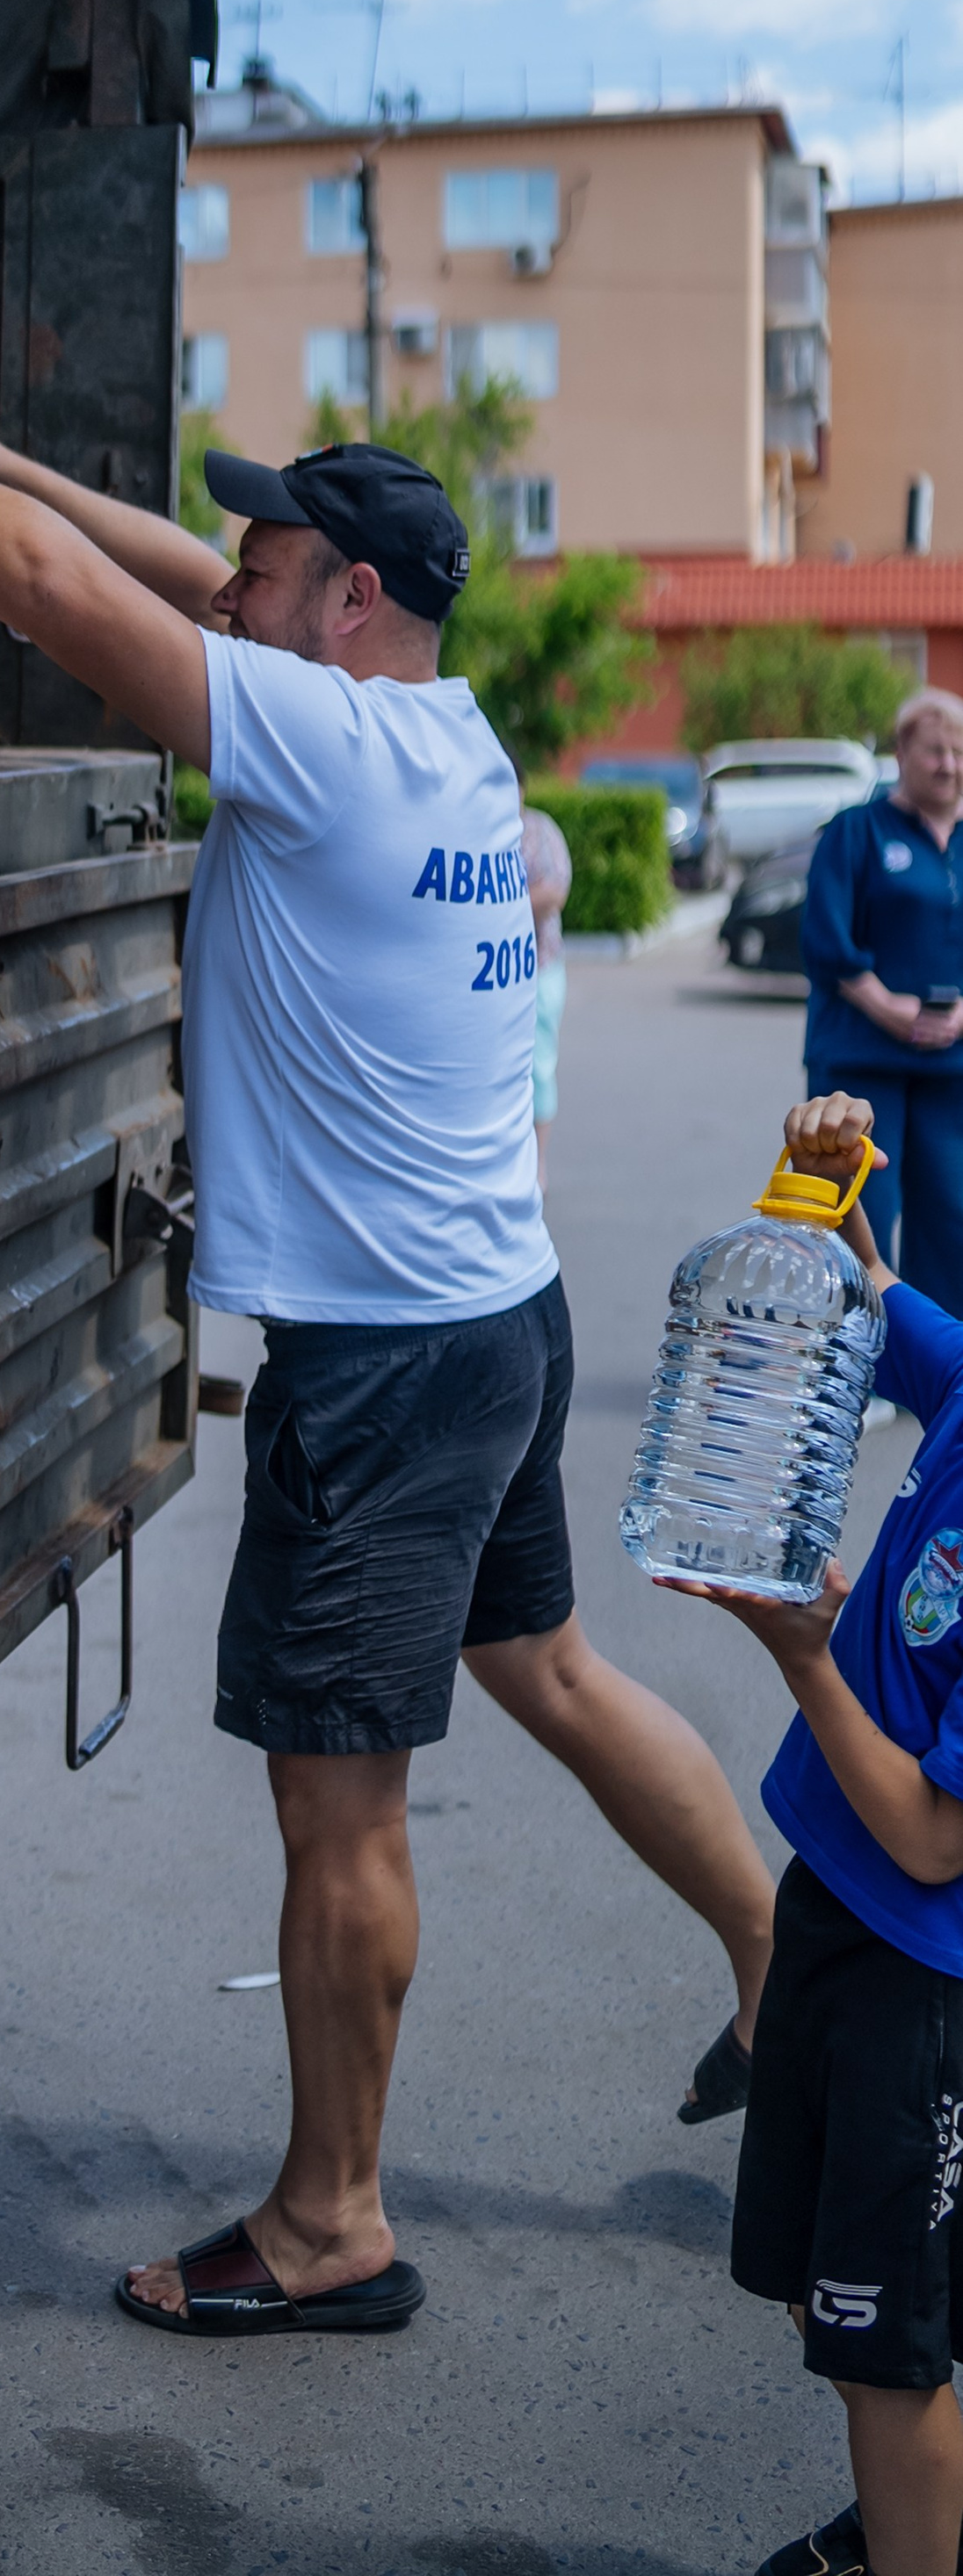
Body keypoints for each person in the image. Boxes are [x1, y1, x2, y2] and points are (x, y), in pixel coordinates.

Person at [0, 390, 778, 2332]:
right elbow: (152, 571)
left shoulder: (319, 747)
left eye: (264, 558)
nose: (226, 572)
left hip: (387, 1367)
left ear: (349, 603)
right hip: (496, 1315)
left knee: (342, 1810)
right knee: (551, 1674)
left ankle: (332, 2223)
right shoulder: (438, 730)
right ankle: (779, 1955)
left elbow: (78, 602)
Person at [672, 1088, 963, 2576]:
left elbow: (930, 1840)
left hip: (924, 1977)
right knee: (817, 2284)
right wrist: (821, 1178)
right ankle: (917, 2519)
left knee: (886, 2345)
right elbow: (866, 1293)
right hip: (831, 1913)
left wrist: (806, 1654)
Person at [800, 693, 963, 1317]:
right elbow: (825, 938)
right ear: (902, 755)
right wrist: (885, 1006)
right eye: (934, 751)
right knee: (861, 1216)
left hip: (950, 1070)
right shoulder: (856, 832)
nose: (948, 765)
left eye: (957, 752)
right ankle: (855, 1374)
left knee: (950, 1221)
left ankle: (936, 1368)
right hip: (863, 1062)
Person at [520, 797, 572, 1187]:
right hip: (495, 973)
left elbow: (555, 890)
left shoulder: (539, 829)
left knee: (539, 1066)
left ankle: (538, 1166)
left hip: (539, 966)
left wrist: (506, 902)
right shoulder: (478, 823)